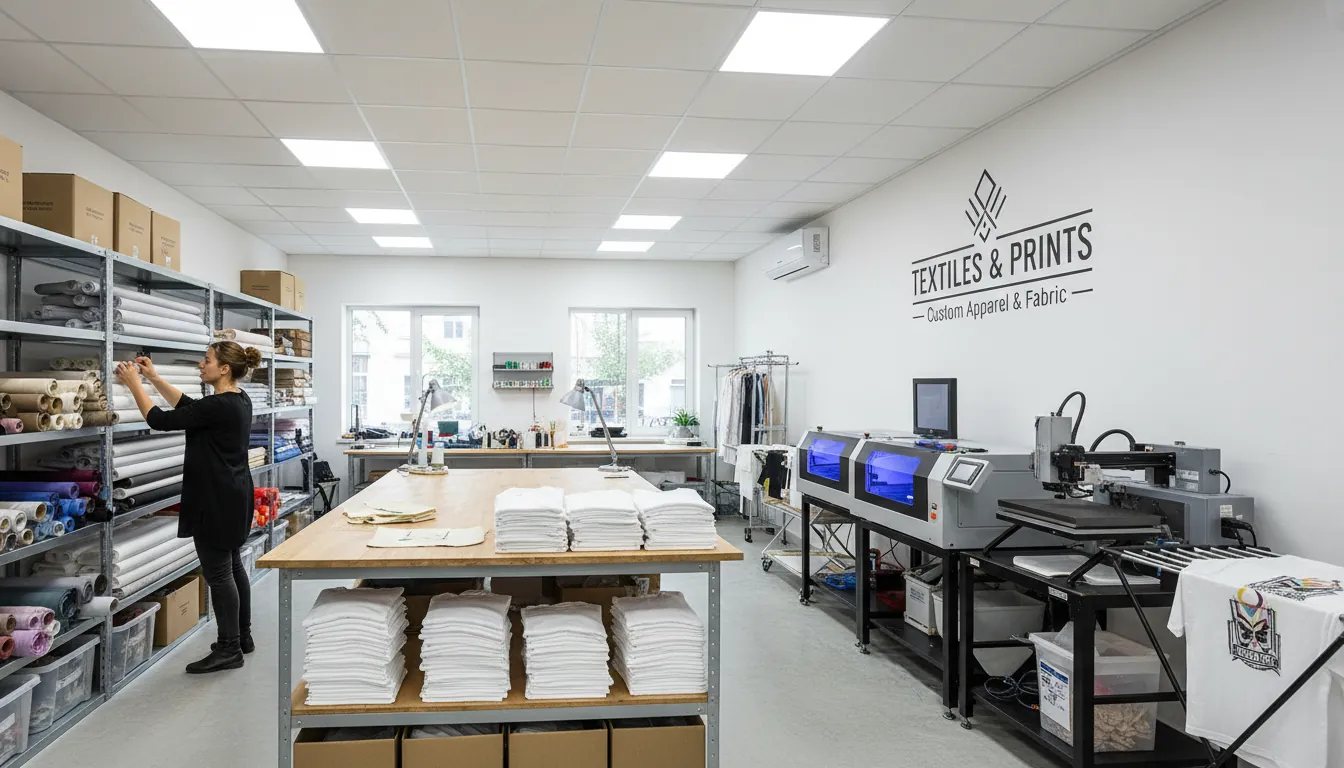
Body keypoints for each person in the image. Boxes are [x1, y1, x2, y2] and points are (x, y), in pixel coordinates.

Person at [115, 341, 262, 674]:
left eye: (207, 360)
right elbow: (189, 406)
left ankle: (229, 650)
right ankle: (242, 637)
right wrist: (153, 377)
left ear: (224, 368)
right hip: (234, 495)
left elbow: (159, 420)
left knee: (219, 574)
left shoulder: (218, 405)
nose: (201, 364)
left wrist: (134, 383)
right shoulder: (237, 400)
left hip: (215, 499)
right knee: (232, 565)